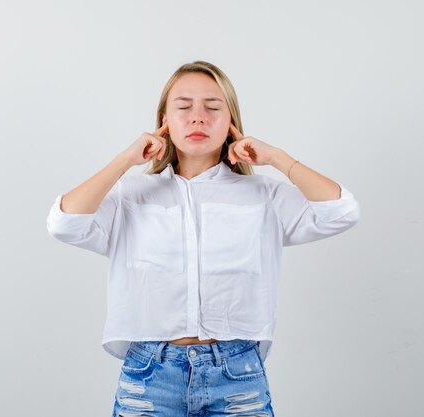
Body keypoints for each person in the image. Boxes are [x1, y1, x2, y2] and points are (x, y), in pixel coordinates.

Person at [46, 60, 360, 417]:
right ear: (163, 120)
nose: (198, 117)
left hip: (237, 376)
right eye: (183, 107)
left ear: (231, 123)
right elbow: (64, 222)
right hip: (149, 376)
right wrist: (124, 160)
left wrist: (277, 159)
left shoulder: (263, 196)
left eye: (212, 107)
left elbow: (342, 211)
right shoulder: (129, 196)